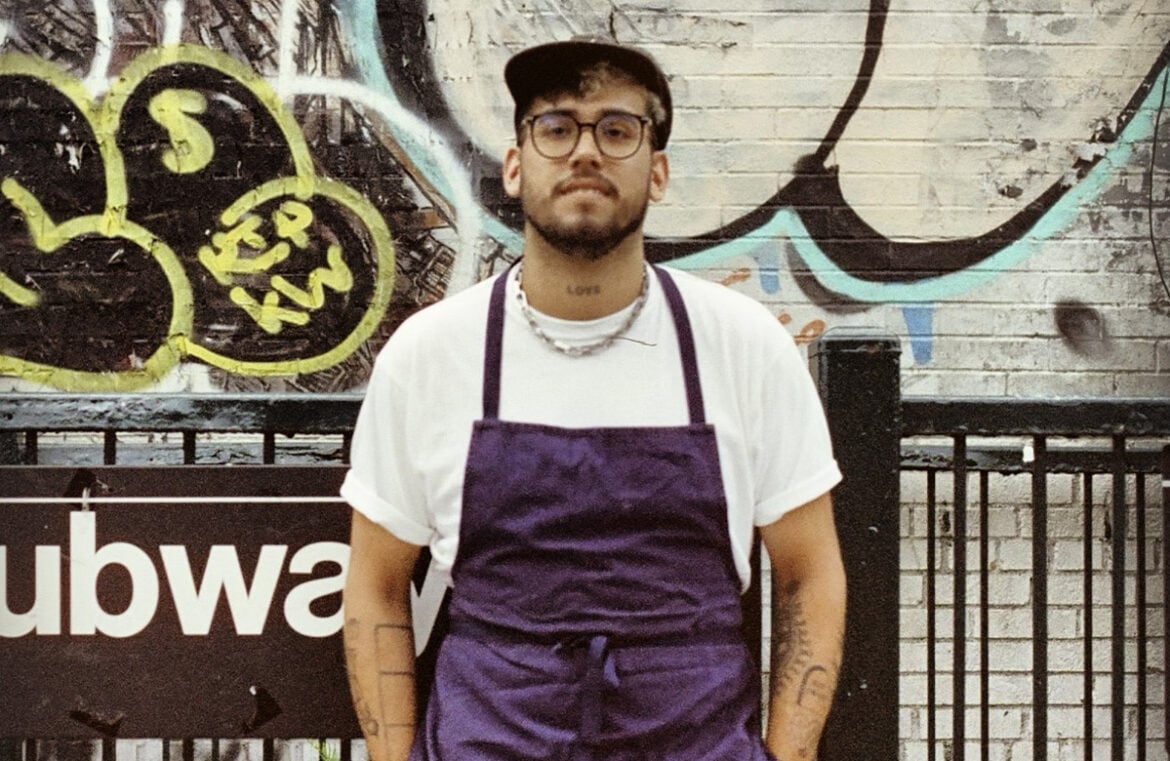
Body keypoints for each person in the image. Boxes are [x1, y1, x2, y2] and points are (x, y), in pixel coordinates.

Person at [341, 37, 847, 761]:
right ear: (515, 166)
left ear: (658, 170)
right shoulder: (430, 356)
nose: (585, 151)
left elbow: (809, 573)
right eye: (555, 127)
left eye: (617, 130)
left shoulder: (742, 346)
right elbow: (376, 586)